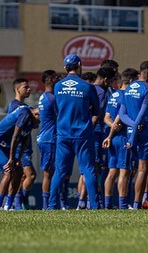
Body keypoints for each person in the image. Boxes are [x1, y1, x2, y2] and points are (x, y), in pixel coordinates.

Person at [48, 54, 101, 210]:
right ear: (79, 65)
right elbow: (96, 111)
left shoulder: (57, 86)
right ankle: (95, 206)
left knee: (60, 171)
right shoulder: (87, 86)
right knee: (89, 169)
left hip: (63, 133)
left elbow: (57, 109)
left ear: (65, 67)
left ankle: (51, 206)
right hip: (83, 134)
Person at [118, 61, 148, 210]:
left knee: (129, 170)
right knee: (142, 169)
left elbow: (122, 114)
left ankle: (124, 204)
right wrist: (136, 128)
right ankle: (136, 204)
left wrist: (131, 126)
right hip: (143, 134)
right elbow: (142, 112)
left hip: (129, 133)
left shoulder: (128, 89)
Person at [0, 105, 40, 210]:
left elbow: (25, 140)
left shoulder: (32, 120)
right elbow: (15, 137)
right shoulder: (25, 113)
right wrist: (11, 159)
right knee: (9, 171)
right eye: (40, 120)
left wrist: (18, 159)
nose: (39, 123)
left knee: (19, 172)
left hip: (6, 144)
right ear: (36, 114)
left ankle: (8, 205)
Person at [77, 66, 115, 209]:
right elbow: (94, 114)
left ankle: (85, 201)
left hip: (90, 132)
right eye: (111, 81)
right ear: (105, 80)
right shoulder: (99, 92)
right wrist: (89, 132)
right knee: (93, 167)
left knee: (89, 168)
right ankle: (85, 201)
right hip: (94, 133)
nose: (111, 84)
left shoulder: (89, 88)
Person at [103, 68, 138, 209]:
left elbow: (106, 118)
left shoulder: (114, 95)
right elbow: (120, 118)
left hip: (113, 139)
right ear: (131, 81)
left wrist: (111, 131)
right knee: (124, 172)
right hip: (123, 137)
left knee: (112, 172)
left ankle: (107, 204)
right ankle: (123, 205)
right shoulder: (127, 96)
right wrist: (116, 128)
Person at [8, 78, 36, 209]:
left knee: (25, 175)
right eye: (25, 87)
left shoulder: (25, 107)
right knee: (30, 175)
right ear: (17, 89)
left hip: (26, 146)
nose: (29, 89)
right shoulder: (14, 106)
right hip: (20, 148)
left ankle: (19, 203)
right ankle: (19, 202)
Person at [37, 70, 60, 209]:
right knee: (49, 173)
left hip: (45, 137)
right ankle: (47, 205)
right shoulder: (52, 98)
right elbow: (60, 115)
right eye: (56, 78)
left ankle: (49, 203)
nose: (58, 80)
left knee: (50, 172)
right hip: (50, 138)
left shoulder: (43, 96)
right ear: (50, 80)